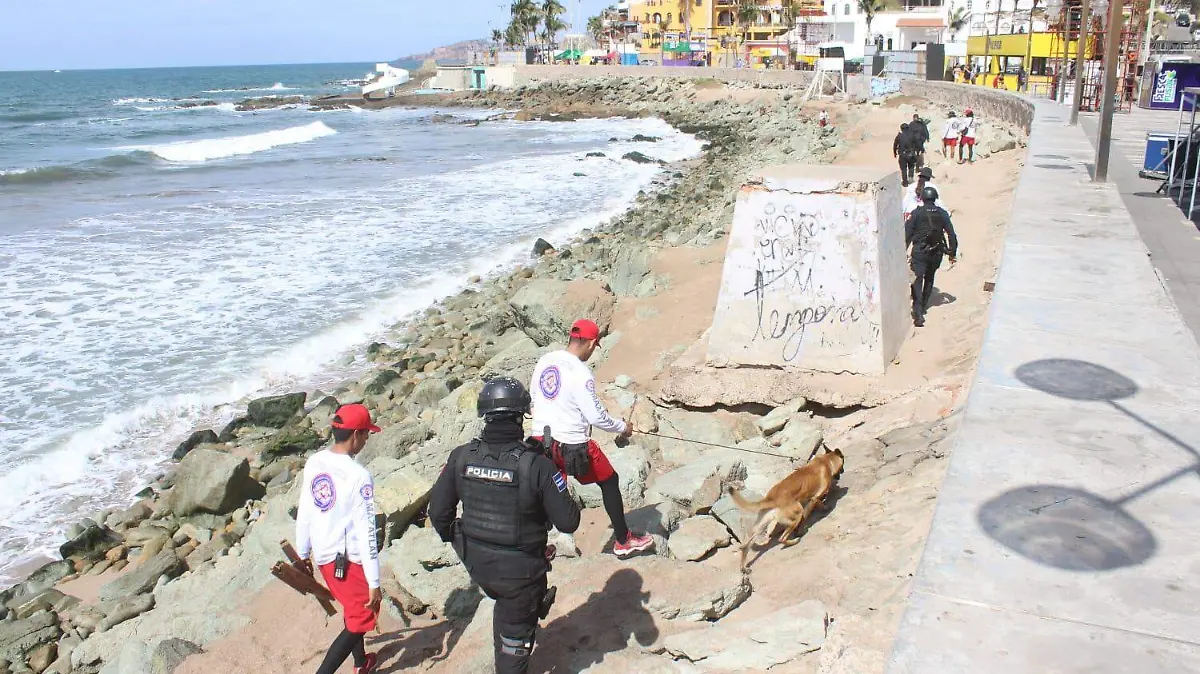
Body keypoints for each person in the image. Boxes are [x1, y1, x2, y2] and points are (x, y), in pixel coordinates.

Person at [428, 377, 581, 674]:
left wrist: (463, 544)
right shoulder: (536, 464)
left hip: (477, 564)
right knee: (513, 655)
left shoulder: (461, 457)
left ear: (485, 415)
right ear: (520, 416)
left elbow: (438, 513)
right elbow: (568, 521)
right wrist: (555, 476)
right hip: (521, 575)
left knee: (507, 609)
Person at [529, 319, 654, 558]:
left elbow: (535, 396)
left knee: (549, 489)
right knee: (609, 480)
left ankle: (546, 544)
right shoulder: (580, 372)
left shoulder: (545, 361)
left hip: (540, 439)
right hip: (572, 444)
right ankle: (623, 539)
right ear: (592, 343)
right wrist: (622, 427)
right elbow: (596, 417)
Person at [295, 403, 383, 674]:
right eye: (366, 433)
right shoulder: (359, 476)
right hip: (348, 559)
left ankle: (360, 663)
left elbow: (305, 509)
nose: (367, 439)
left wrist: (302, 552)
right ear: (355, 434)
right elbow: (367, 531)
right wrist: (374, 582)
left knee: (350, 606)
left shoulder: (316, 461)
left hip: (323, 555)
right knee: (362, 618)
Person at [905, 186, 958, 328]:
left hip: (920, 252)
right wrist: (952, 253)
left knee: (917, 279)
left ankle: (917, 312)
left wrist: (901, 252)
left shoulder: (916, 213)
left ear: (922, 198)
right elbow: (951, 234)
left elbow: (906, 235)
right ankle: (923, 307)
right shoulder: (942, 214)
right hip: (937, 252)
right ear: (935, 198)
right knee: (929, 278)